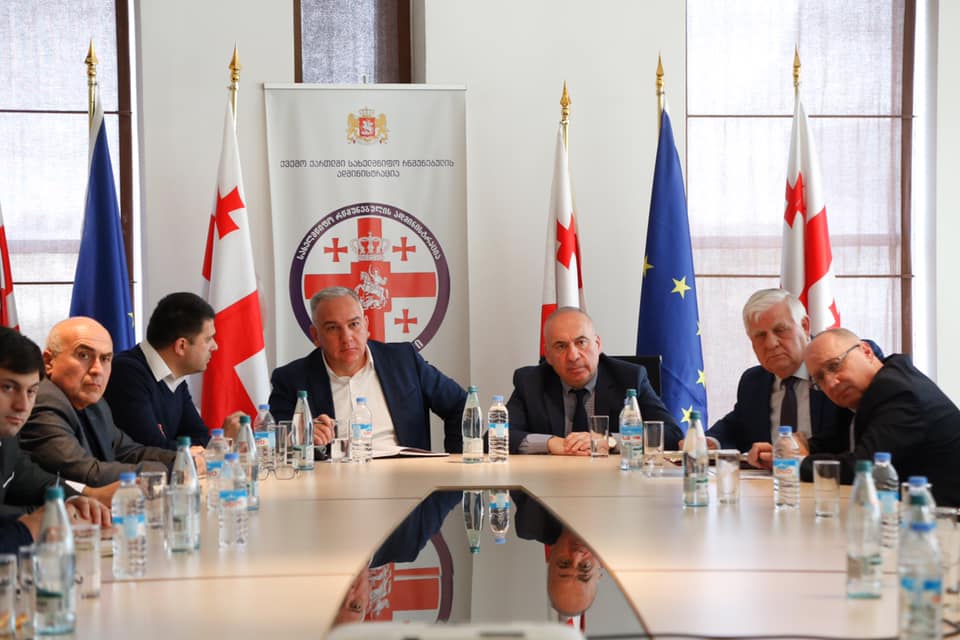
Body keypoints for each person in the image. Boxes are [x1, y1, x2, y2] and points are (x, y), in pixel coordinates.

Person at [750, 328, 960, 506]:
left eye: (835, 365)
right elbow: (834, 441)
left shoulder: (900, 393)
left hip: (945, 520)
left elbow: (863, 467)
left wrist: (794, 463)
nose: (831, 383)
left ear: (866, 351)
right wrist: (785, 450)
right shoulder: (865, 391)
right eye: (819, 378)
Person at [269, 287, 467, 453]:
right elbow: (274, 440)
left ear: (366, 325)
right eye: (332, 328)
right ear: (315, 335)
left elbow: (461, 406)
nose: (347, 337)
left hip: (406, 479)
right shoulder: (291, 379)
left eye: (354, 324)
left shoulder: (403, 361)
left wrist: (454, 466)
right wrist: (301, 436)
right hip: (334, 484)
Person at [19, 317, 198, 487]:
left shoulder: (95, 403)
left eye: (105, 359)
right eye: (83, 355)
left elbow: (128, 451)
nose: (97, 370)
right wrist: (172, 470)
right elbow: (84, 472)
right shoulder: (42, 401)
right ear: (48, 362)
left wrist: (182, 458)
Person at [506, 307, 680, 455]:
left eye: (581, 342)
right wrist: (551, 443)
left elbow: (672, 435)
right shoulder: (530, 382)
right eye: (561, 346)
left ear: (597, 344)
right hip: (550, 480)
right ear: (548, 355)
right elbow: (498, 435)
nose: (573, 356)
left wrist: (609, 441)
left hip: (615, 480)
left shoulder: (629, 378)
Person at [0, 327, 111, 551]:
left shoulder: (7, 437)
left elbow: (32, 479)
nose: (22, 406)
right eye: (8, 388)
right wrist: (31, 525)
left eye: (31, 391)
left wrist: (74, 500)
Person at [704, 289, 853, 452]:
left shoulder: (839, 365)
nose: (771, 344)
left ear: (805, 326)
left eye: (780, 330)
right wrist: (710, 441)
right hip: (769, 469)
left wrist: (803, 450)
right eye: (760, 335)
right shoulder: (753, 381)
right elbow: (736, 425)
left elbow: (848, 439)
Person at [103, 292, 243, 449]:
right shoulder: (126, 374)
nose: (215, 346)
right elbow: (151, 450)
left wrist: (209, 445)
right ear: (181, 346)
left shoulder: (175, 378)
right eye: (208, 339)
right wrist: (220, 442)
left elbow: (201, 437)